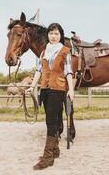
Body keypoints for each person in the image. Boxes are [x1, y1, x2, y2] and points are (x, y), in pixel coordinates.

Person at [26, 23, 74, 170]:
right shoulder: (43, 51)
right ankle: (55, 150)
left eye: (56, 34)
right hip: (45, 89)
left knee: (50, 121)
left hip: (57, 89)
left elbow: (68, 72)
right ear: (48, 35)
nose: (53, 36)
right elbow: (39, 70)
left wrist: (71, 90)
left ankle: (48, 157)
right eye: (51, 33)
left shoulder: (65, 51)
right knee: (54, 119)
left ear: (61, 35)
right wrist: (33, 86)